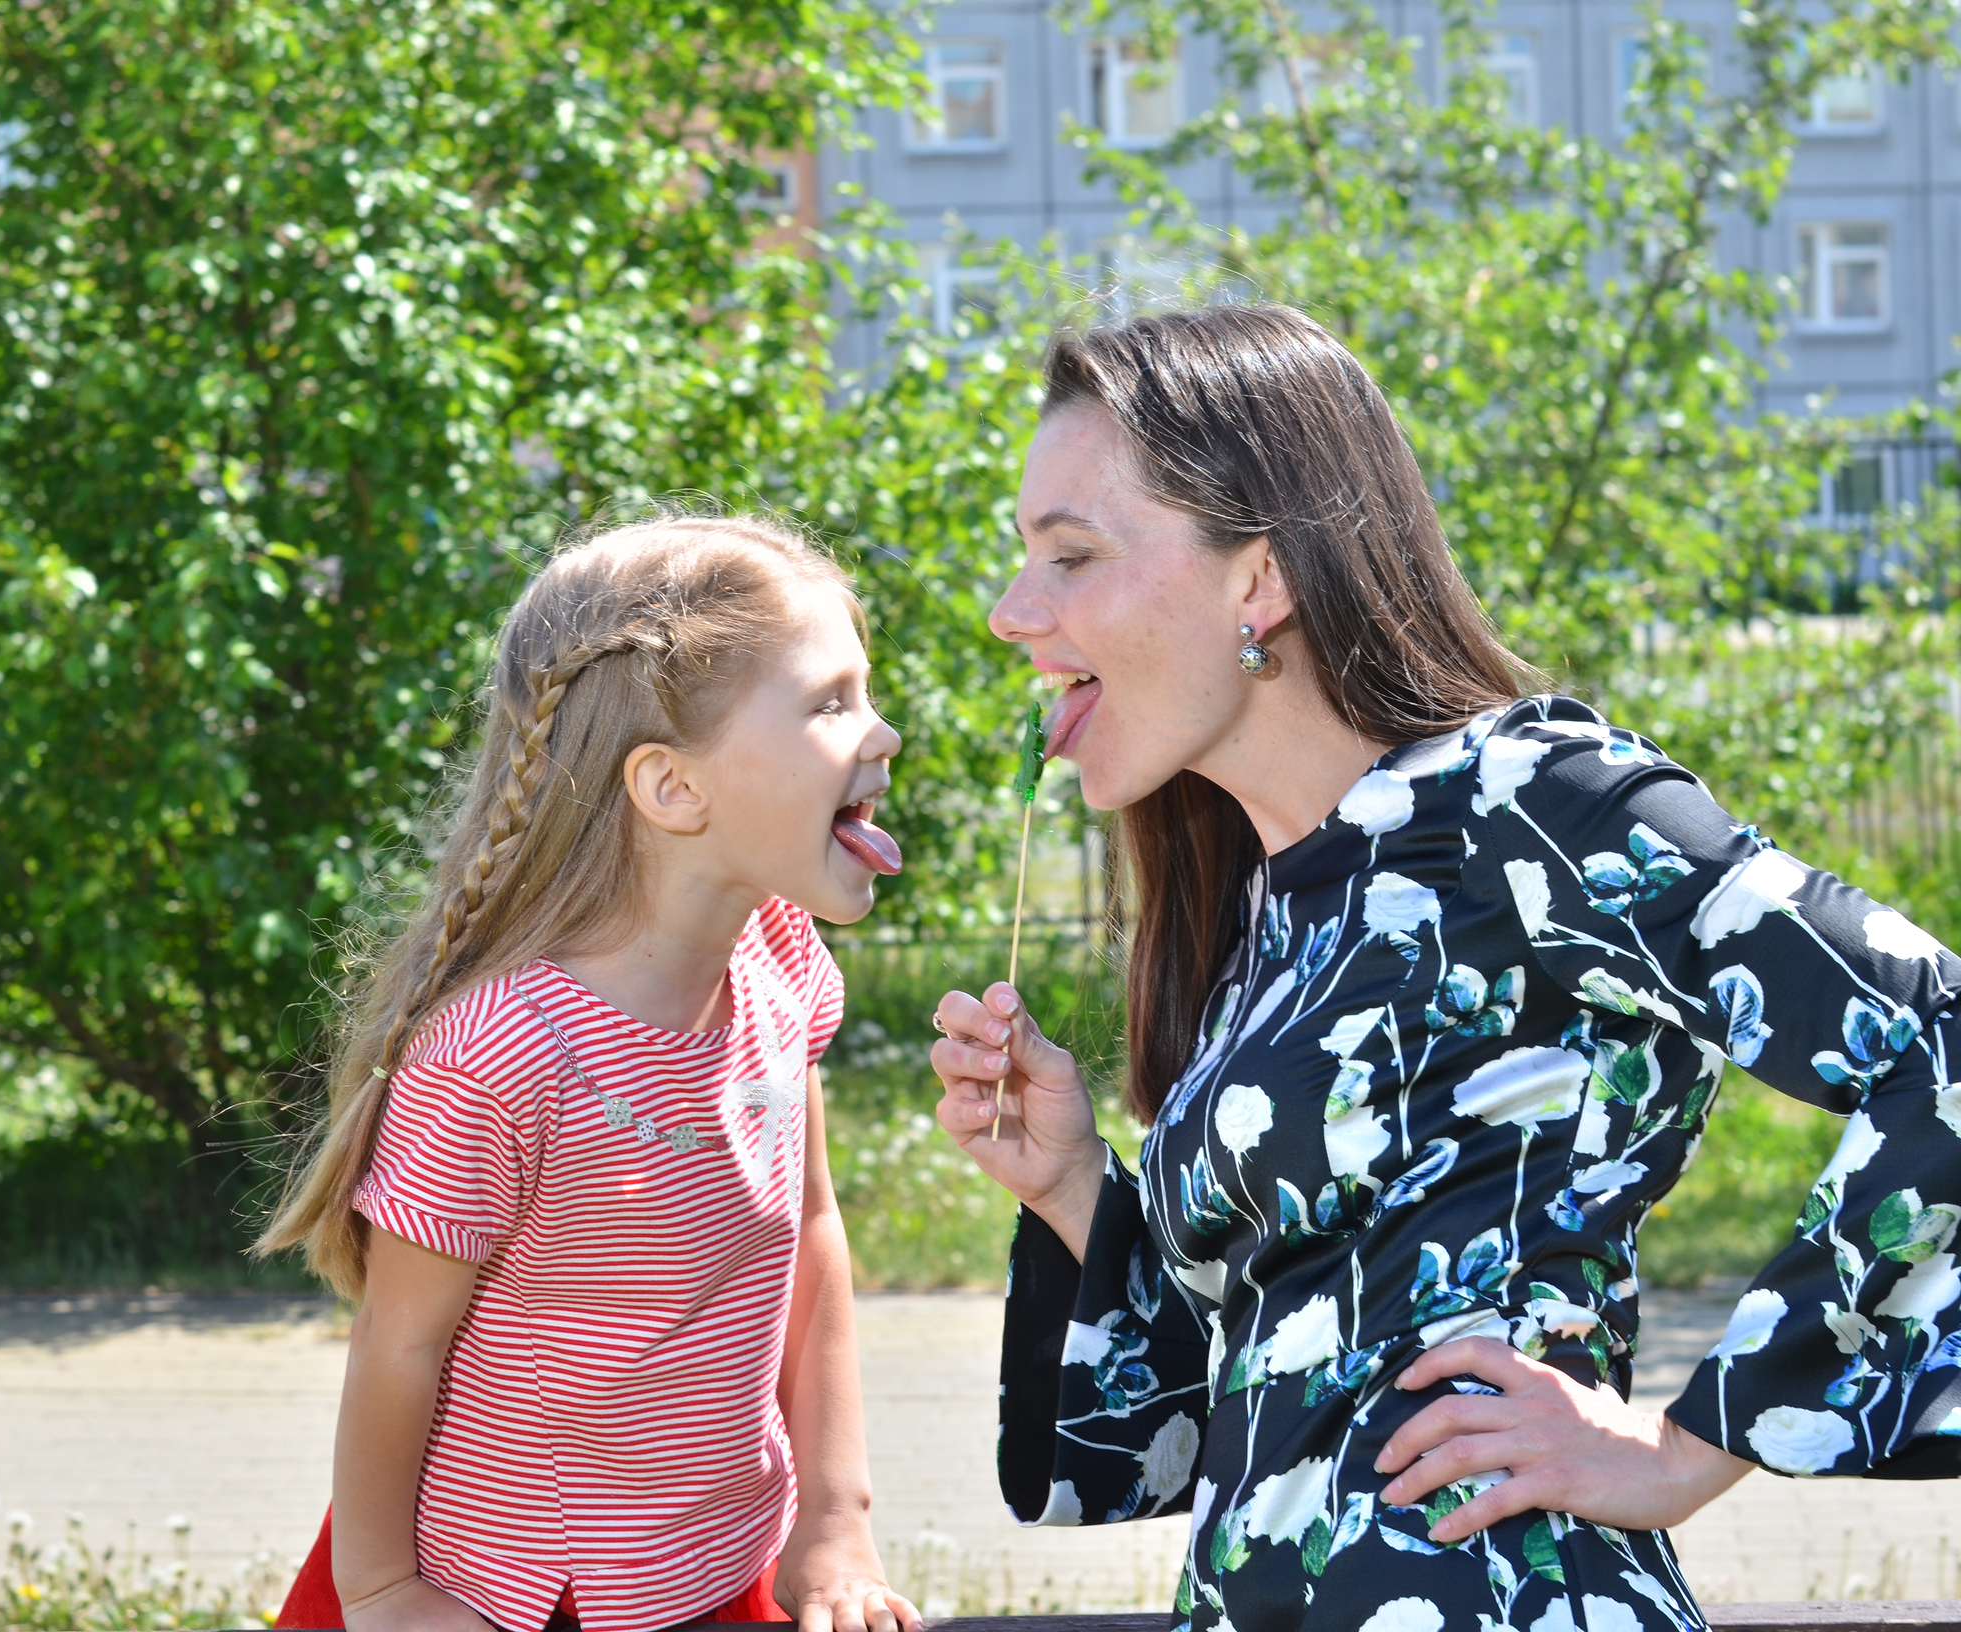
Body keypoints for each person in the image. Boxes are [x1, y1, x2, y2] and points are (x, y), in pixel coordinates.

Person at [929, 305, 1961, 1632]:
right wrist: (1075, 1185)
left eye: (1070, 557)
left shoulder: (1524, 801)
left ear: (1259, 582)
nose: (1016, 615)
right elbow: (1254, 1407)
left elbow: (1938, 1038)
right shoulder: (1270, 910)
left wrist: (1689, 1445)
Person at [258, 516, 922, 1632]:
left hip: (716, 1569)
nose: (884, 734)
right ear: (670, 788)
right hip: (507, 1597)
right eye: (829, 701)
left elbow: (809, 1235)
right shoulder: (503, 1055)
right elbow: (398, 1340)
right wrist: (379, 1592)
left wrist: (832, 1522)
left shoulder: (779, 965)